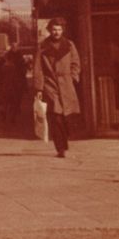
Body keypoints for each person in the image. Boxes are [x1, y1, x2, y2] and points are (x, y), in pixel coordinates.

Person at [33, 18, 81, 158]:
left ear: (63, 30)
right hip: (51, 84)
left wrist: (73, 77)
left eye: (59, 29)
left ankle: (64, 142)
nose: (56, 32)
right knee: (56, 116)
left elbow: (76, 62)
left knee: (67, 117)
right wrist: (39, 89)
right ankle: (60, 148)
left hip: (66, 83)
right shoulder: (43, 46)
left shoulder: (70, 45)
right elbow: (38, 68)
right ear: (49, 30)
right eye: (54, 29)